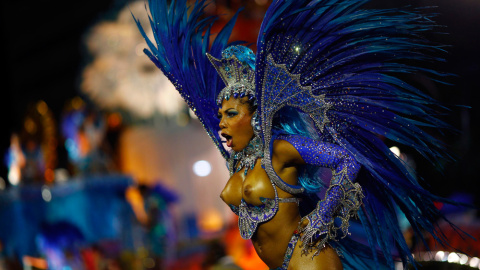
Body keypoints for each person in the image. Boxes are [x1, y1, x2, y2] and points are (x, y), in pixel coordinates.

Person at [134, 0, 464, 269]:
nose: (221, 123)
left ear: (255, 117)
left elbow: (346, 160)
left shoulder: (280, 149)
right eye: (220, 116)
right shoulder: (237, 159)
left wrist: (324, 214)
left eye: (231, 115)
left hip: (307, 259)